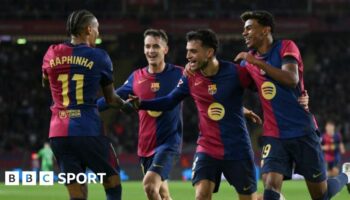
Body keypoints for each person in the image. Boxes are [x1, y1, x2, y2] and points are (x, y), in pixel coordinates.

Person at [129, 29, 262, 200]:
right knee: (201, 195)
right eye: (187, 51)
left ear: (209, 52)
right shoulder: (190, 78)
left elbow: (261, 88)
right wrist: (141, 103)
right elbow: (169, 101)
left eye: (193, 51)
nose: (188, 56)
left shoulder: (236, 73)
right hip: (207, 148)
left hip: (237, 148)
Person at [234, 10, 350, 200]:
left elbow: (291, 78)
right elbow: (233, 87)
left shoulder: (285, 47)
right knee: (270, 190)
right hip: (274, 135)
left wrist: (256, 62)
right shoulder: (247, 64)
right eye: (243, 29)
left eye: (249, 28)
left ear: (265, 30)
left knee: (321, 195)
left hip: (302, 131)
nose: (244, 33)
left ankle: (347, 175)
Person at [42, 9, 130, 200]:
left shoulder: (51, 53)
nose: (99, 33)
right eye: (97, 29)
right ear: (89, 29)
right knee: (112, 182)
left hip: (59, 133)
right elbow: (110, 99)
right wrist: (126, 105)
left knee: (76, 193)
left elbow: (45, 82)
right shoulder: (99, 57)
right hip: (88, 130)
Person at [97, 29, 183, 200]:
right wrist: (90, 109)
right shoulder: (136, 77)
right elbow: (114, 97)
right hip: (145, 145)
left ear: (165, 49)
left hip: (168, 143)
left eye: (156, 46)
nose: (151, 51)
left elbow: (203, 92)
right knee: (163, 195)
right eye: (148, 46)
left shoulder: (180, 74)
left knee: (150, 186)